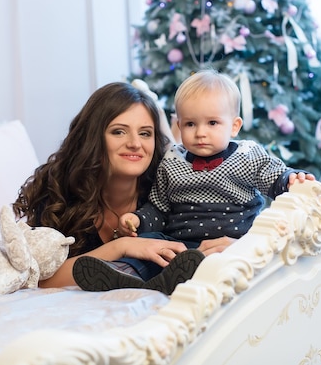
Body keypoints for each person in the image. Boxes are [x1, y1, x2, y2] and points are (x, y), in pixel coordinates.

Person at [12, 82, 235, 295]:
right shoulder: (61, 194)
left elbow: (233, 222)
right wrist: (122, 247)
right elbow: (40, 280)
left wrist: (236, 244)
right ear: (93, 137)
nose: (135, 144)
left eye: (145, 133)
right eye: (119, 131)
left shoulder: (171, 190)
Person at [114, 68, 316, 248]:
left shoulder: (247, 156)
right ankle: (124, 269)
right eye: (190, 124)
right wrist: (138, 220)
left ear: (234, 126)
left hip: (236, 244)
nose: (200, 132)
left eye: (212, 123)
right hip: (181, 246)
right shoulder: (172, 161)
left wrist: (291, 178)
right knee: (151, 246)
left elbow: (274, 177)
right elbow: (159, 209)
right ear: (180, 125)